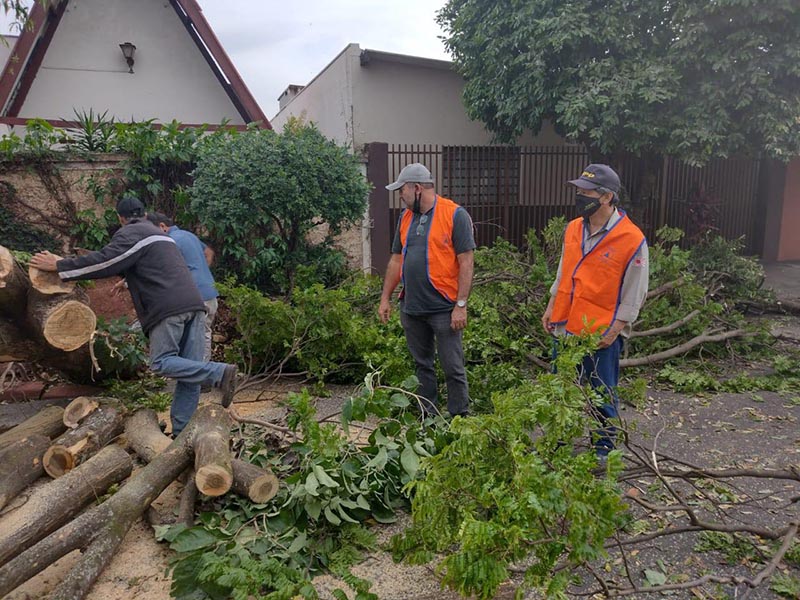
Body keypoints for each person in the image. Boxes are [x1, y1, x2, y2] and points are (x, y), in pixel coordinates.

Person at [30, 196, 237, 436]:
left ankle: (219, 373)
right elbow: (154, 267)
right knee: (188, 373)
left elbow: (107, 261)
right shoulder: (160, 236)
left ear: (120, 219)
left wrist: (61, 265)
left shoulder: (132, 233)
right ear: (145, 213)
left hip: (167, 307)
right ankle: (182, 434)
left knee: (161, 362)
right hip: (194, 304)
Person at [541, 164, 649, 458]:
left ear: (606, 197)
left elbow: (634, 292)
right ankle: (559, 441)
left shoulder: (631, 239)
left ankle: (603, 447)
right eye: (579, 190)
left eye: (585, 192)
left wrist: (614, 331)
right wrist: (551, 306)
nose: (579, 196)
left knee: (602, 390)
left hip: (601, 331)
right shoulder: (574, 228)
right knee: (561, 388)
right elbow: (564, 271)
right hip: (565, 324)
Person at [378, 163, 476, 418]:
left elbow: (466, 260)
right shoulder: (406, 217)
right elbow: (396, 259)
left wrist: (461, 305)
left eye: (403, 190)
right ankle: (428, 419)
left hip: (444, 309)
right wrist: (385, 298)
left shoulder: (455, 215)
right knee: (423, 366)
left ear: (417, 188)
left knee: (453, 368)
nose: (400, 195)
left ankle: (459, 421)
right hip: (412, 307)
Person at [147, 212, 218, 362]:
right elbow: (209, 252)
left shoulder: (169, 241)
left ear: (162, 226)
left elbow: (162, 269)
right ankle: (203, 375)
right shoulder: (188, 235)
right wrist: (202, 271)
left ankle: (198, 374)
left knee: (189, 339)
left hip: (193, 297)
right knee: (204, 335)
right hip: (210, 293)